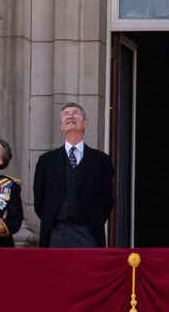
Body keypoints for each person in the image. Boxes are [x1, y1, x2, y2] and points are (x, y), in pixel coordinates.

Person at [33, 103, 114, 247]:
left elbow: (107, 199)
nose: (70, 116)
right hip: (55, 232)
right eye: (66, 114)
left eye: (76, 113)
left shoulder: (101, 160)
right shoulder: (46, 161)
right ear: (61, 126)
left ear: (85, 124)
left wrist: (93, 219)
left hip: (89, 233)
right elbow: (40, 200)